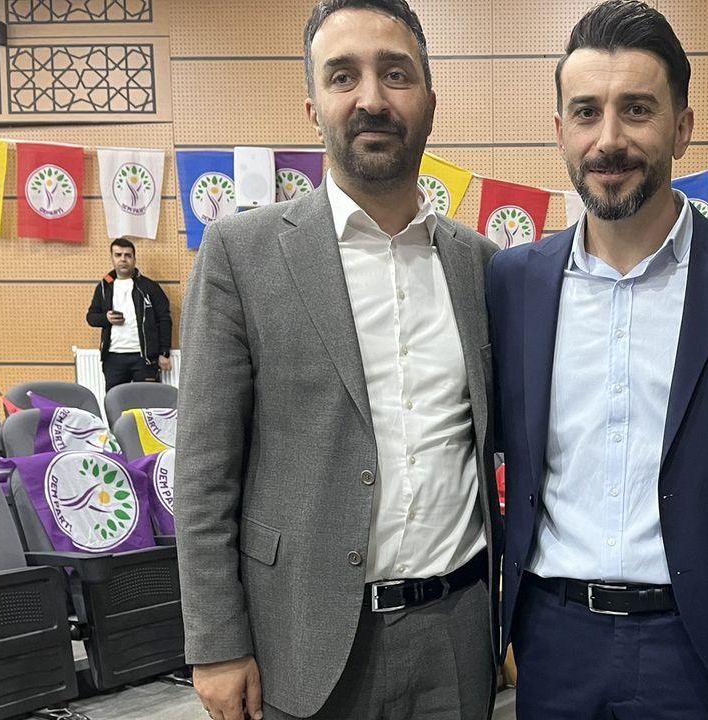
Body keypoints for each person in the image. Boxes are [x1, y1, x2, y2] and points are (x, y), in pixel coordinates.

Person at [174, 2, 500, 719]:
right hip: (301, 639)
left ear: (430, 103)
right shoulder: (241, 255)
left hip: (457, 634)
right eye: (343, 76)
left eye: (396, 74)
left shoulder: (480, 265)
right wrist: (216, 642)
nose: (372, 99)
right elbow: (202, 471)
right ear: (313, 107)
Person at [486, 2, 708, 717]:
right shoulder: (512, 283)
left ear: (682, 128)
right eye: (587, 113)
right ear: (560, 132)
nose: (609, 140)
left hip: (700, 646)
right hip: (553, 641)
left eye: (637, 110)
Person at [85, 237, 172, 391]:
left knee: (148, 401)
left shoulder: (149, 287)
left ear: (134, 259)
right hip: (113, 357)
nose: (123, 259)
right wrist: (106, 318)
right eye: (118, 255)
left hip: (144, 358)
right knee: (115, 401)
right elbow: (91, 317)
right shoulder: (104, 287)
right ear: (112, 258)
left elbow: (164, 319)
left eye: (128, 255)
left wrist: (164, 353)